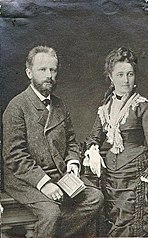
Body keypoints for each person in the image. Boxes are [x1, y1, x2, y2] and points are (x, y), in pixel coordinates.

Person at [3, 45, 104, 238]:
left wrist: (72, 164)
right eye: (42, 70)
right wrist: (44, 184)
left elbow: (72, 142)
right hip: (25, 179)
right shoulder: (16, 107)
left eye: (53, 70)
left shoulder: (60, 105)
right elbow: (15, 156)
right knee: (51, 213)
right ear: (29, 72)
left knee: (95, 198)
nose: (49, 75)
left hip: (59, 173)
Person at [84, 47, 148, 237]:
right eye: (120, 74)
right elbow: (93, 137)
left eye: (130, 74)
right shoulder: (105, 108)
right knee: (111, 224)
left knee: (130, 228)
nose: (125, 80)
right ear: (111, 78)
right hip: (111, 180)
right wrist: (94, 150)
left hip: (136, 177)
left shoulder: (144, 107)